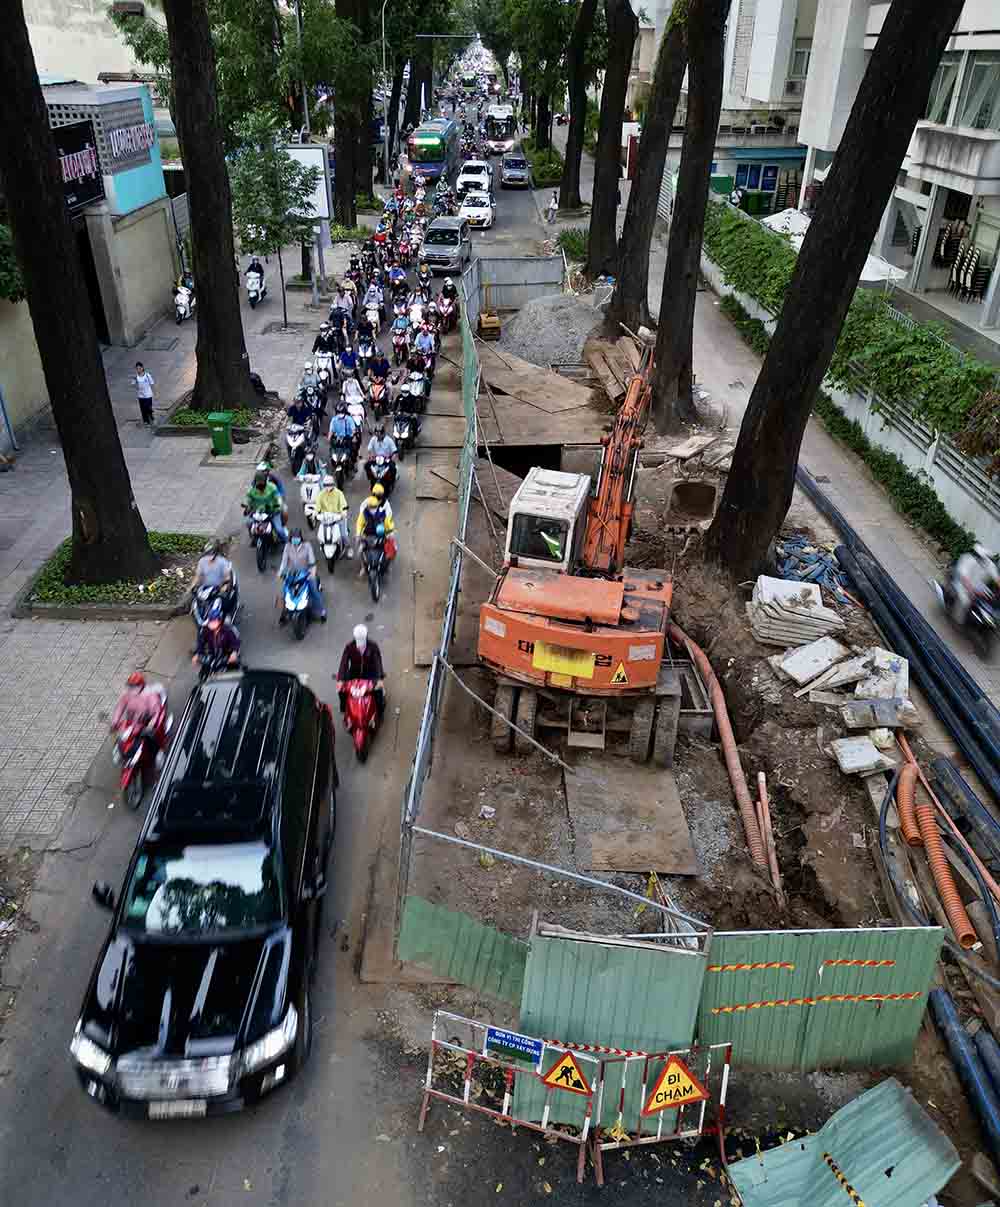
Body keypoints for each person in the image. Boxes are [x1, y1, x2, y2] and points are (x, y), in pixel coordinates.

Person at [336, 623, 385, 719]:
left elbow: (377, 662)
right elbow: (344, 663)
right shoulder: (349, 646)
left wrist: (379, 679)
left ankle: (380, 712)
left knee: (378, 692)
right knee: (341, 690)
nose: (360, 645)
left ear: (366, 636)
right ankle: (343, 708)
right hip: (354, 672)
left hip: (370, 673)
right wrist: (341, 680)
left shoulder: (373, 646)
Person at [277, 527, 326, 622]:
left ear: (300, 537)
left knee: (314, 590)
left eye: (297, 537)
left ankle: (322, 611)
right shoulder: (287, 546)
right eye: (293, 538)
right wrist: (281, 572)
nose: (295, 539)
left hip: (305, 573)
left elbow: (312, 562)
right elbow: (284, 561)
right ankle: (284, 613)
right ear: (290, 538)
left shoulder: (307, 546)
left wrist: (312, 573)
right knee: (285, 592)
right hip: (292, 574)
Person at [950, 544, 1000, 625]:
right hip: (962, 584)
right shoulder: (968, 559)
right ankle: (957, 621)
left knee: (989, 599)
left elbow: (997, 579)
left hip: (978, 586)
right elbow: (964, 577)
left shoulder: (990, 565)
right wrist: (971, 591)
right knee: (965, 601)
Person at [190, 539, 237, 617]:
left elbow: (227, 579)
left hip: (218, 589)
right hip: (206, 590)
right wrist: (193, 587)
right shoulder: (202, 561)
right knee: (198, 609)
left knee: (220, 611)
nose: (209, 556)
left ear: (215, 553)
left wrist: (223, 589)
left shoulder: (222, 562)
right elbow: (197, 576)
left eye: (211, 554)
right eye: (207, 554)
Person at [192, 599, 241, 670]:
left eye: (214, 621)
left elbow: (235, 642)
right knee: (205, 671)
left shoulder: (227, 630)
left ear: (219, 621)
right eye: (210, 621)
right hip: (213, 655)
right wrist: (197, 654)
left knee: (233, 669)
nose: (212, 623)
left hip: (226, 654)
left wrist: (234, 653)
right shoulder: (206, 630)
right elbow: (201, 642)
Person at [245, 468, 288, 543]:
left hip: (272, 511)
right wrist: (247, 507)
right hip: (258, 512)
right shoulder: (251, 490)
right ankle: (253, 537)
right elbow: (249, 500)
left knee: (279, 530)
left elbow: (278, 497)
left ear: (265, 481)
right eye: (258, 483)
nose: (260, 485)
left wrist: (279, 505)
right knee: (249, 523)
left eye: (262, 483)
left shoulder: (272, 487)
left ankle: (287, 543)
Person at [315, 474, 353, 557]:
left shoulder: (339, 493)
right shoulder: (320, 494)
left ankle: (349, 548)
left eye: (329, 484)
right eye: (325, 485)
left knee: (343, 535)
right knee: (320, 534)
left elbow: (344, 505)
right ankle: (323, 545)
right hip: (325, 519)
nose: (327, 487)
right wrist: (316, 514)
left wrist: (343, 512)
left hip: (338, 518)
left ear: (333, 484)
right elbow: (317, 507)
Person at [355, 491, 395, 568]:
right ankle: (363, 567)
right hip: (367, 535)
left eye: (375, 507)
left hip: (380, 535)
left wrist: (391, 531)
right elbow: (359, 524)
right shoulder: (364, 514)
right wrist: (358, 534)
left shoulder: (382, 513)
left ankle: (388, 566)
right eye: (371, 507)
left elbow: (388, 522)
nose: (373, 509)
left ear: (377, 506)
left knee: (390, 550)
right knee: (360, 551)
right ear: (368, 507)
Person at [133, 361, 157, 426]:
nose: (138, 370)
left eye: (139, 368)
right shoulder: (136, 377)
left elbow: (152, 384)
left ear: (142, 368)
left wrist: (155, 392)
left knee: (148, 407)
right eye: (137, 368)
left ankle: (151, 417)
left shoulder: (147, 375)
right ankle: (146, 421)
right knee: (143, 409)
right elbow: (134, 385)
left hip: (148, 395)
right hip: (140, 396)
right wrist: (136, 384)